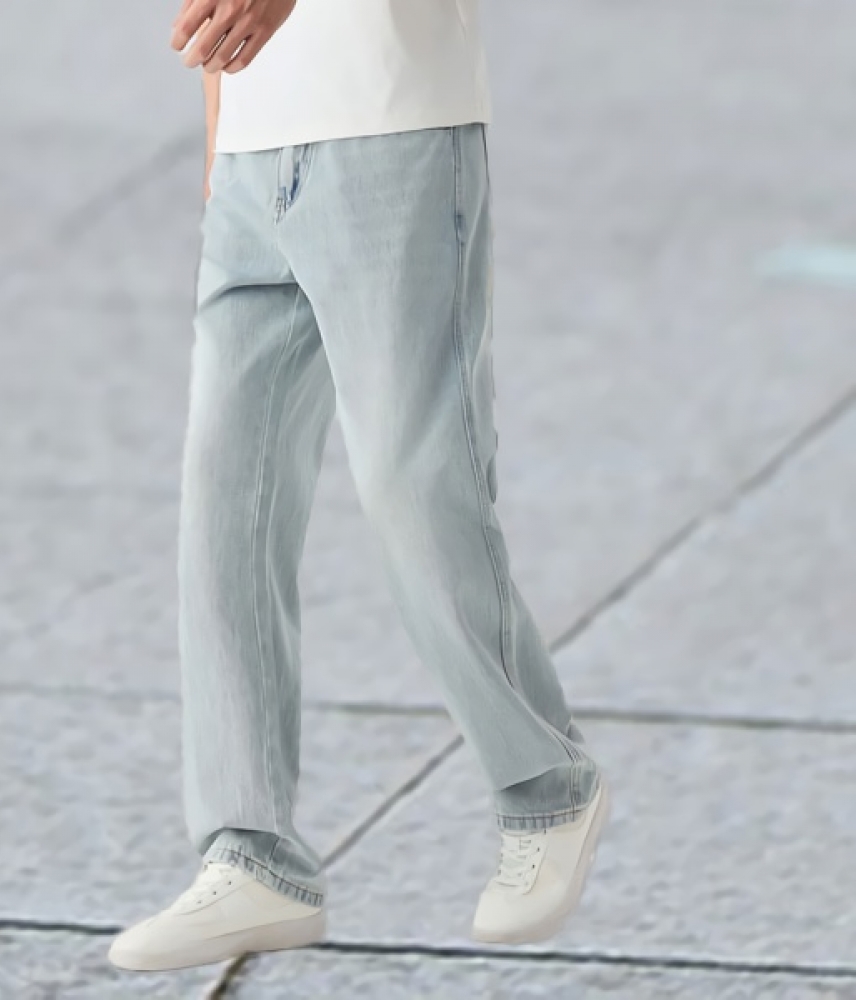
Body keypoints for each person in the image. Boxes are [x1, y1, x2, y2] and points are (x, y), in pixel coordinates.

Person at [108, 0, 610, 973]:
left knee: (414, 479)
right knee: (225, 503)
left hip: (396, 130)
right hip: (252, 157)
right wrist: (221, 151)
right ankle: (252, 853)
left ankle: (548, 787)